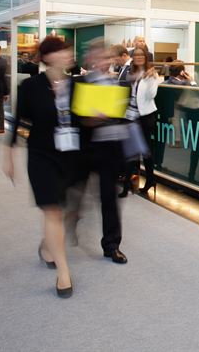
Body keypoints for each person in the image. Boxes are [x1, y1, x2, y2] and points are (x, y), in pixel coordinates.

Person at [5, 36, 80, 298]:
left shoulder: (77, 85)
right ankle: (63, 272)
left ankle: (49, 247)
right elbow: (21, 120)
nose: (69, 54)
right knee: (53, 211)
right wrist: (9, 153)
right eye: (62, 51)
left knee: (68, 212)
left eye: (69, 50)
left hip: (70, 156)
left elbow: (84, 121)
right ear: (48, 57)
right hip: (41, 155)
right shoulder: (31, 86)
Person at [73, 42, 129, 265]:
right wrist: (89, 119)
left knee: (109, 198)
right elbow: (73, 118)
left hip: (109, 149)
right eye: (99, 57)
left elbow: (123, 116)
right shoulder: (79, 83)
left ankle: (112, 245)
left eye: (107, 57)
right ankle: (62, 232)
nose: (104, 62)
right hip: (84, 149)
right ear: (90, 59)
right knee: (74, 196)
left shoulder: (117, 84)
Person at [122, 46, 160, 197]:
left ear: (145, 57)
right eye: (136, 55)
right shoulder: (130, 72)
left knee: (145, 151)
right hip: (131, 115)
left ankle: (150, 180)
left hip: (145, 116)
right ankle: (128, 182)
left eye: (141, 55)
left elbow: (151, 95)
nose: (138, 57)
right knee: (131, 150)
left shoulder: (151, 74)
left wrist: (150, 79)